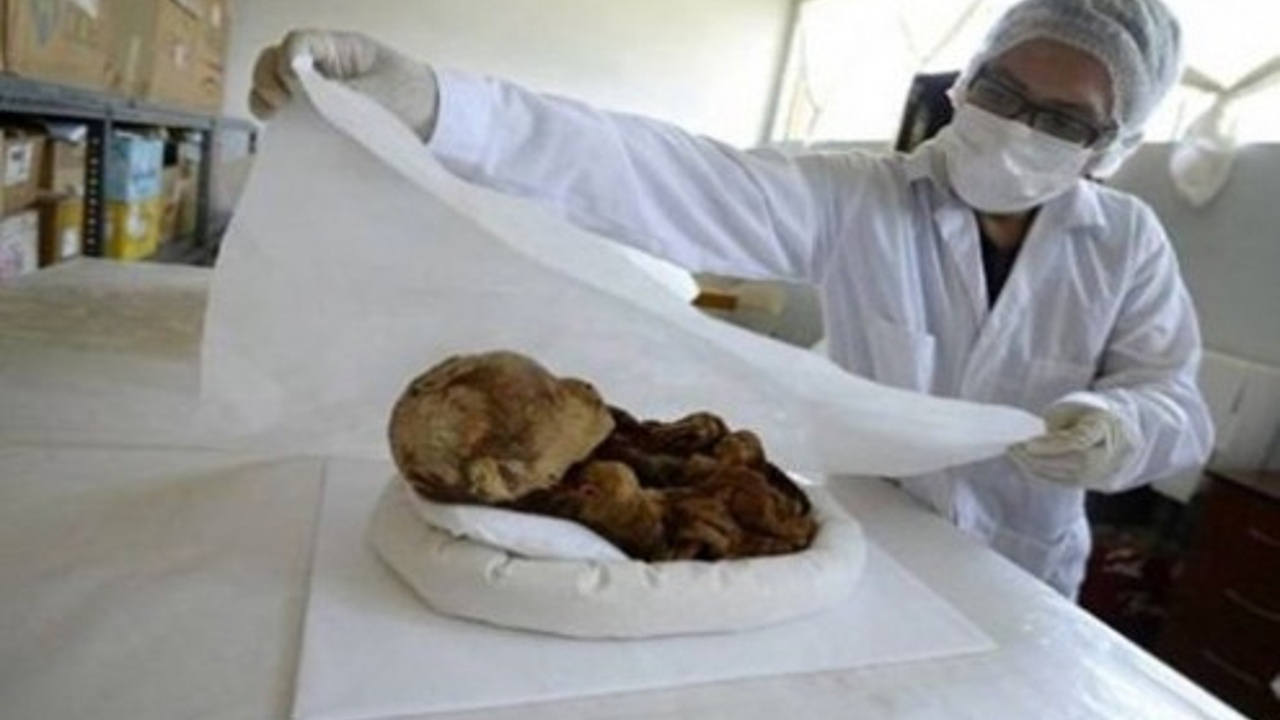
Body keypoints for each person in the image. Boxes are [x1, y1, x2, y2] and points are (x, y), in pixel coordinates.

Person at [250, 0, 1213, 599]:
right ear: (967, 81)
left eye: (1060, 120)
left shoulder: (1125, 243)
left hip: (1027, 574)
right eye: (1002, 90)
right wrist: (437, 105)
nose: (1016, 128)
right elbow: (655, 171)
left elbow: (1175, 398)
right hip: (869, 551)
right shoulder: (861, 199)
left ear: (1112, 145)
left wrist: (1121, 430)